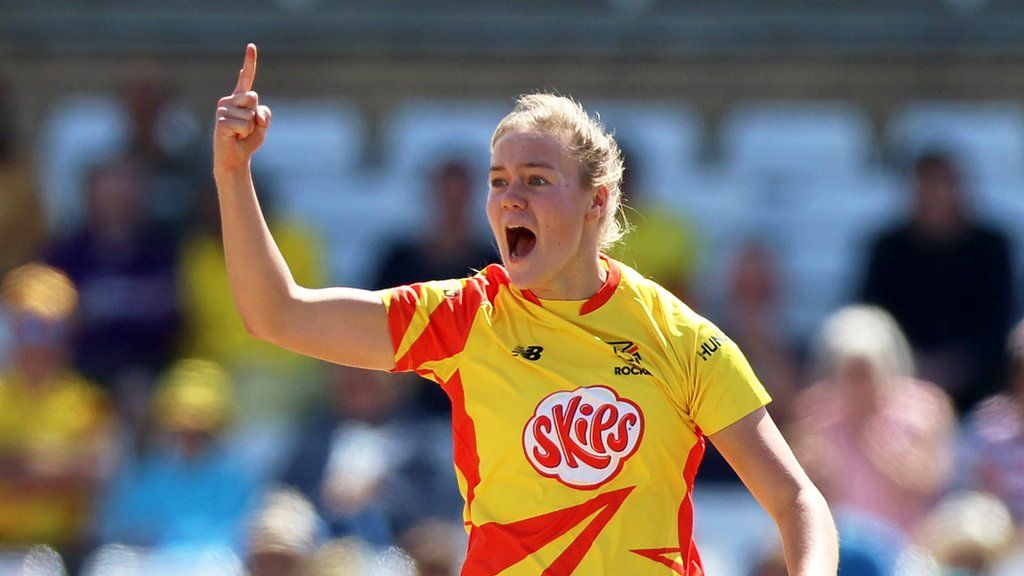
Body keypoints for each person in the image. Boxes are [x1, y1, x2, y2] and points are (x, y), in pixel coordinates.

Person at [212, 44, 838, 574]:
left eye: (537, 179)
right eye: (498, 180)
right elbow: (278, 315)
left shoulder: (679, 336)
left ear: (598, 202)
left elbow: (797, 502)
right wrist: (234, 172)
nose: (510, 198)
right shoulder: (463, 318)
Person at [861, 153, 1014, 413]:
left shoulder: (991, 246)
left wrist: (959, 364)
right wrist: (915, 364)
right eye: (928, 184)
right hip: (900, 386)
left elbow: (999, 318)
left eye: (944, 184)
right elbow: (872, 318)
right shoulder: (887, 248)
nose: (937, 194)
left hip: (982, 393)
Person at [788, 306, 956, 534]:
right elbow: (795, 489)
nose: (860, 386)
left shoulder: (922, 410)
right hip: (840, 541)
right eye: (851, 374)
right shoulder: (815, 415)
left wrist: (888, 455)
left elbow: (933, 483)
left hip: (909, 545)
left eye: (865, 373)